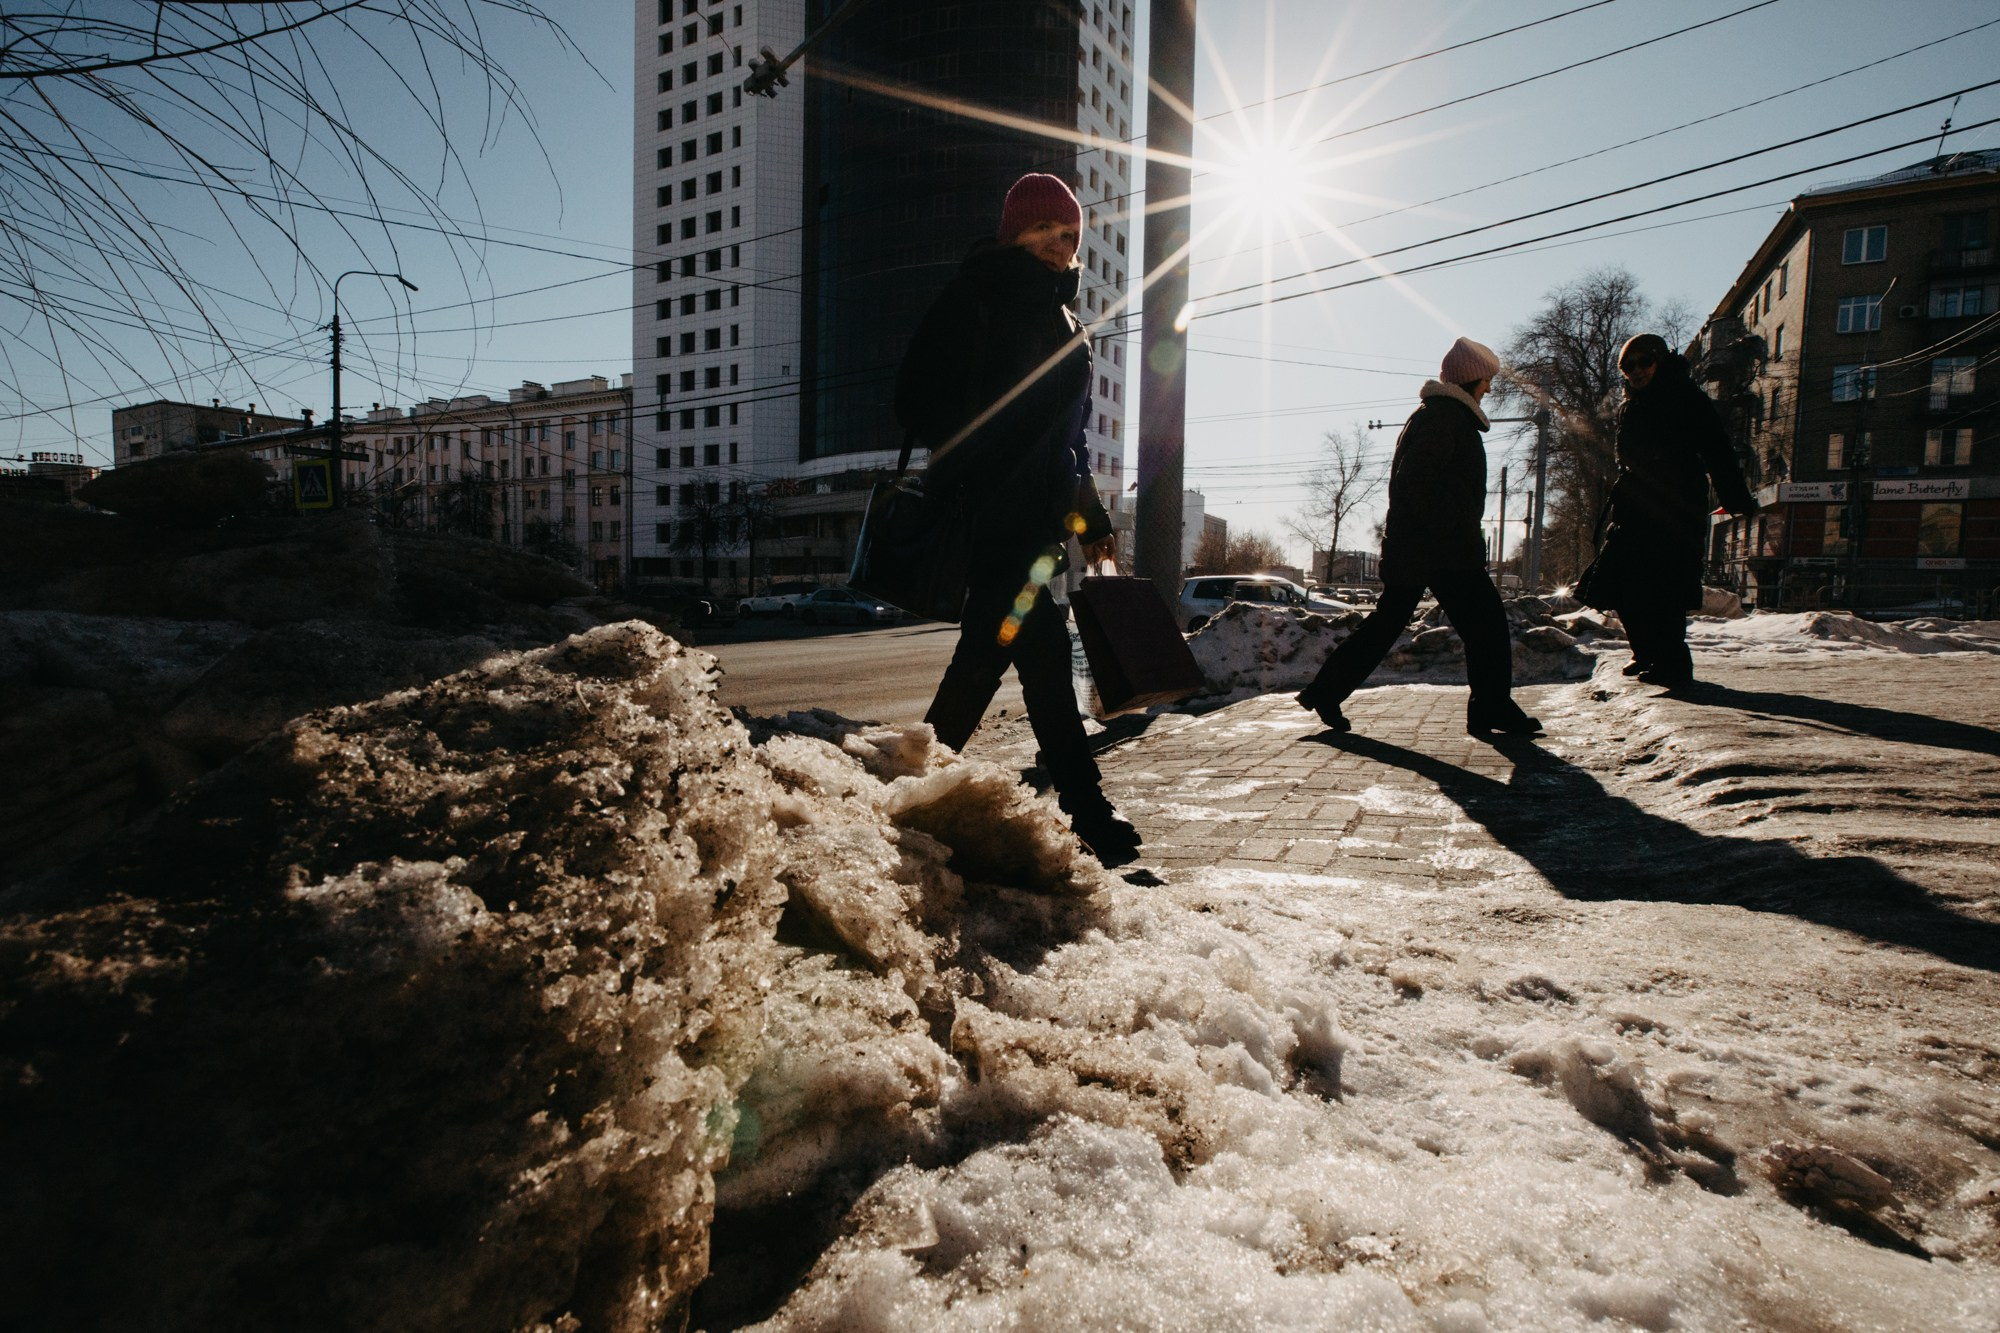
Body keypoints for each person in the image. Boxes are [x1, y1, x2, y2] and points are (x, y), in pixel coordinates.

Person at [895, 172, 1139, 865]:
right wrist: (977, 448)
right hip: (982, 516)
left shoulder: (1073, 331)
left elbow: (1071, 446)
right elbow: (912, 398)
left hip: (1036, 534)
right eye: (1044, 230)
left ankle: (912, 782)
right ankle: (1083, 806)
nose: (1059, 245)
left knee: (1011, 656)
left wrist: (1090, 524)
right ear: (1014, 232)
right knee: (1025, 658)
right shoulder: (972, 298)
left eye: (1069, 235)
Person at [1296, 337, 1542, 737]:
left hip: (1424, 548)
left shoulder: (1439, 415)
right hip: (1441, 550)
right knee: (1487, 626)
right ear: (1470, 380)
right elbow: (1415, 483)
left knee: (1388, 625)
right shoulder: (1445, 418)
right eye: (1486, 381)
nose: (1490, 389)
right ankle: (1490, 707)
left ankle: (1325, 692)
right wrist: (1453, 528)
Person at [1602, 333, 1756, 690]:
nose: (1636, 371)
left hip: (1676, 505)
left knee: (1664, 587)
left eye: (1644, 362)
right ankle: (1645, 652)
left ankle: (1672, 665)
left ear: (1660, 360)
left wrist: (1735, 496)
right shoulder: (1632, 404)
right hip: (1635, 506)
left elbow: (1718, 448)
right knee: (1620, 580)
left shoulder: (1685, 398)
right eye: (1628, 366)